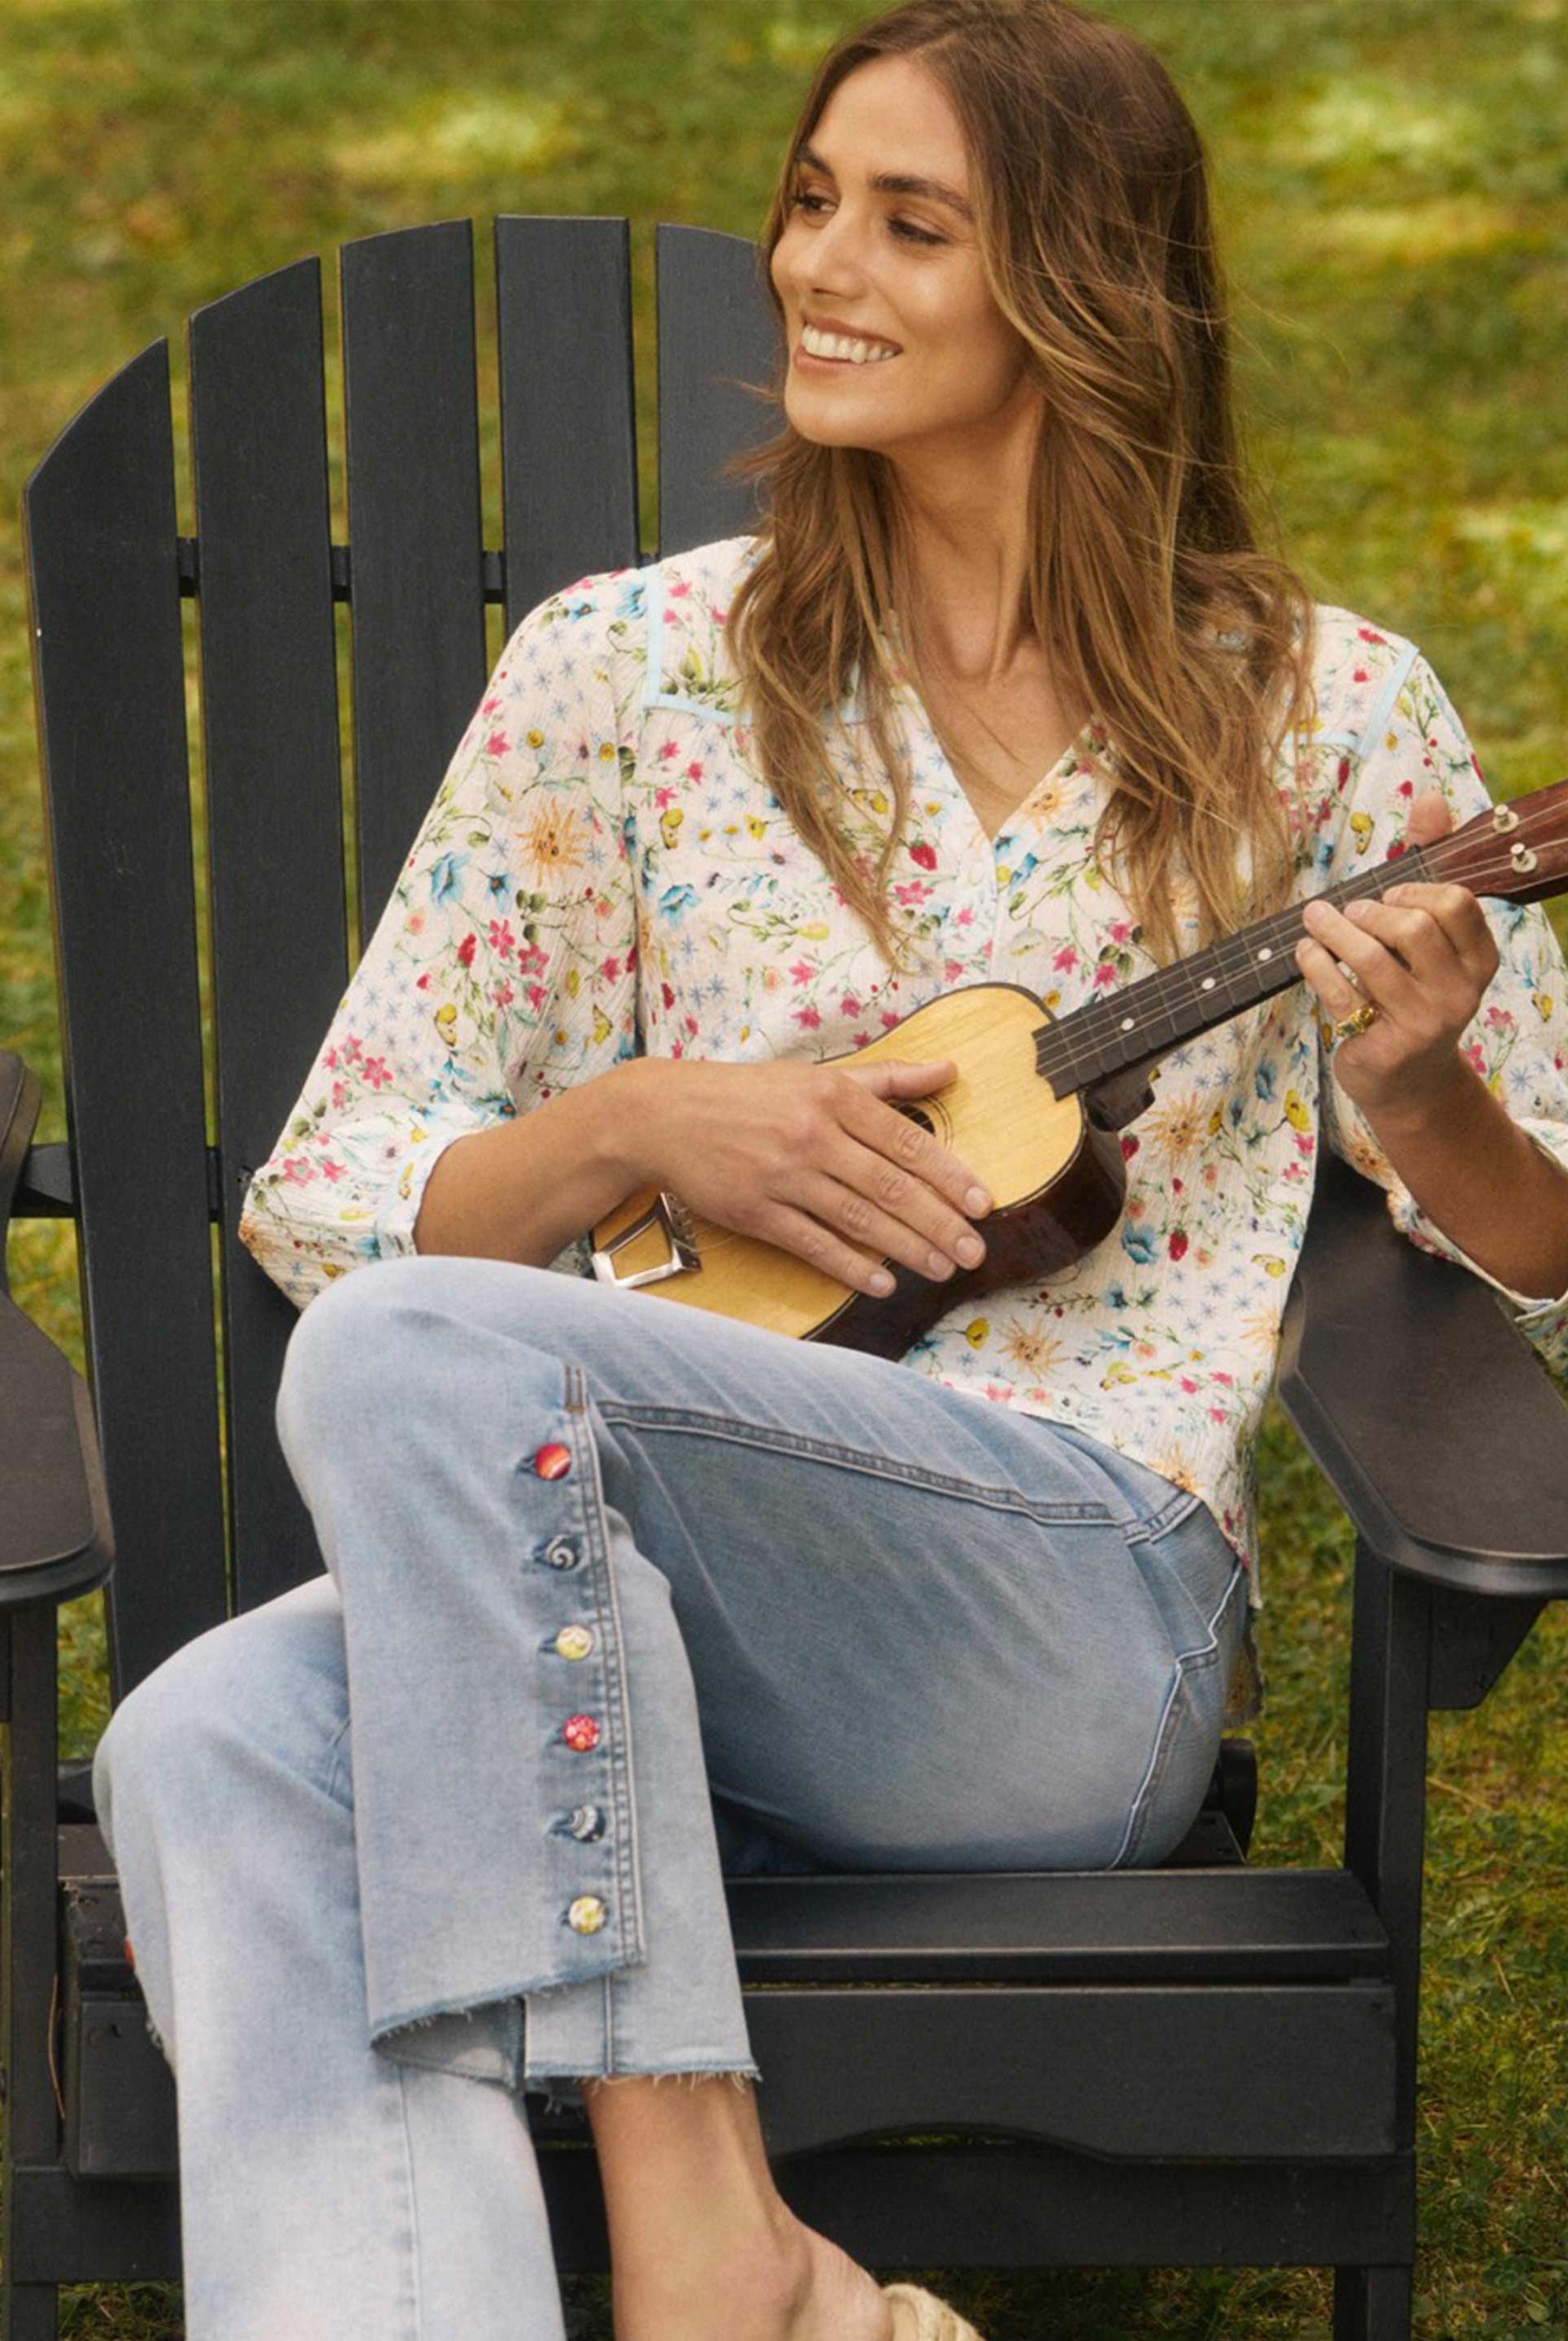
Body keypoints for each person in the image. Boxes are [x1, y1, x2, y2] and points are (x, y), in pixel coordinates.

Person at [91, 2, 1568, 2337]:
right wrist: (631, 1128)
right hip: (625, 1638)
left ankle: (708, 2227)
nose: (815, 267)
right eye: (808, 201)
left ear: (1082, 290)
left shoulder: (1324, 710)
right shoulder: (625, 676)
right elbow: (333, 1183)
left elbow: (1539, 1249)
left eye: (909, 223)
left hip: (1063, 1620)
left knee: (427, 1365)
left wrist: (1419, 1089)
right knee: (207, 1734)